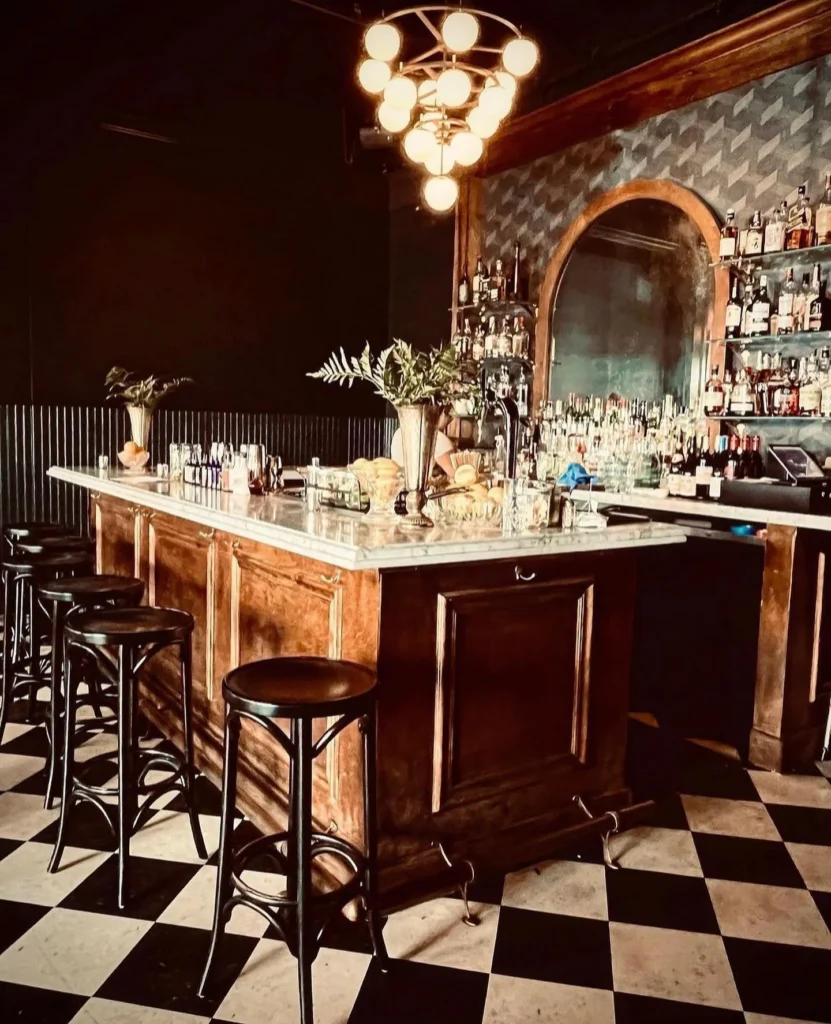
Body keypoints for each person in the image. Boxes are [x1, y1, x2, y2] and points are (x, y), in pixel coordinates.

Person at [390, 410, 455, 477]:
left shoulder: (398, 432)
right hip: (424, 486)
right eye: (449, 417)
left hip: (398, 484)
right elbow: (456, 474)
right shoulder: (438, 437)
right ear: (442, 413)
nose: (450, 421)